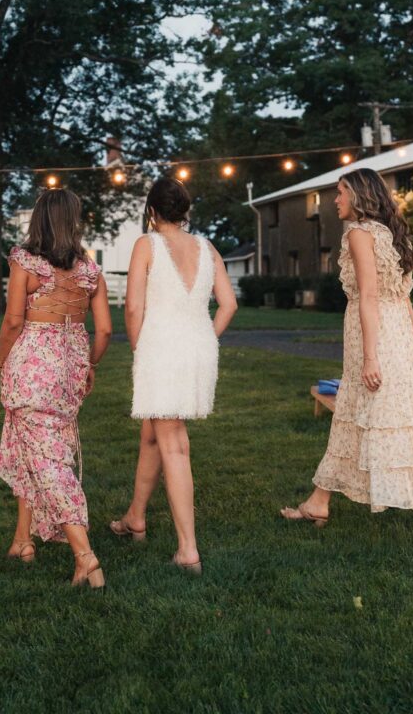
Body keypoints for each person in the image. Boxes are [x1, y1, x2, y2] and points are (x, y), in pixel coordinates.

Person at [281, 168, 413, 554]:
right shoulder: (393, 234)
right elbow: (404, 299)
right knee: (355, 419)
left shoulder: (360, 234)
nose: (335, 199)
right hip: (395, 334)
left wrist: (370, 356)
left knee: (391, 427)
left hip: (375, 336)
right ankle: (318, 502)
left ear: (360, 196)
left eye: (341, 192)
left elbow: (369, 297)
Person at [110, 176, 238, 573]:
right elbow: (229, 305)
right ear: (185, 212)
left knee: (174, 444)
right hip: (199, 349)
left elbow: (132, 308)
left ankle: (188, 549)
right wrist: (204, 338)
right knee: (153, 432)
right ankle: (136, 517)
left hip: (161, 349)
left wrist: (138, 348)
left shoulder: (145, 245)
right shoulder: (206, 246)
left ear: (151, 211)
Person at [0, 188, 112, 588]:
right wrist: (90, 365)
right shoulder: (89, 271)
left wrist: (1, 361)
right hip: (70, 366)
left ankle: (85, 555)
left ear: (39, 220)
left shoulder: (25, 261)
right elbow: (107, 330)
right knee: (37, 447)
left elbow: (13, 321)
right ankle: (22, 540)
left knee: (47, 460)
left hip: (32, 362)